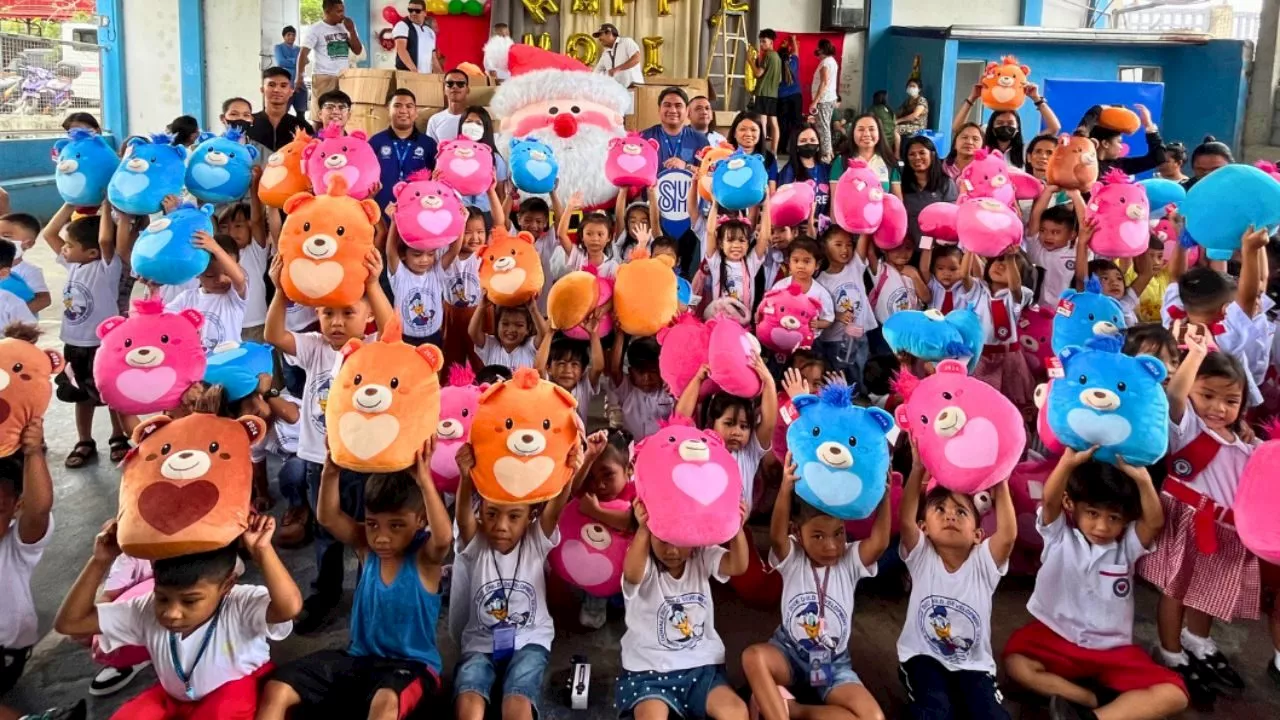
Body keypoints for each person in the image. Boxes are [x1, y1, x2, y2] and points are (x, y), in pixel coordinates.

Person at [258, 446, 451, 718]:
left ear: (421, 520)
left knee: (385, 702)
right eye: (373, 524)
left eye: (396, 525)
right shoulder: (366, 547)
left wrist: (424, 481)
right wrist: (331, 471)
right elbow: (328, 517)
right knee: (278, 685)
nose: (381, 537)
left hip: (411, 667)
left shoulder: (425, 559)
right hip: (358, 659)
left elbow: (443, 538)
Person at [264, 249, 395, 634]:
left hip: (359, 463)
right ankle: (325, 594)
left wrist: (372, 284)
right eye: (327, 313)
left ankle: (370, 598)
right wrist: (279, 292)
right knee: (325, 534)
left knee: (362, 532)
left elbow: (392, 334)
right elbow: (273, 334)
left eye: (348, 313)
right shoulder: (315, 348)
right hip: (317, 462)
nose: (336, 323)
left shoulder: (372, 353)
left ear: (368, 314)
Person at [54, 515, 300, 719]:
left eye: (190, 601)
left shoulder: (239, 603)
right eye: (162, 598)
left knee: (222, 711)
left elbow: (289, 607)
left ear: (227, 585)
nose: (171, 613)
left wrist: (263, 551)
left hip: (235, 690)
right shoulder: (145, 608)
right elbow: (70, 623)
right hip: (174, 696)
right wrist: (100, 561)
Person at [1004, 449, 1189, 720]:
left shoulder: (1126, 547)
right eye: (1092, 513)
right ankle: (1090, 699)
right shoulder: (1057, 536)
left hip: (1112, 652)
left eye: (1113, 518)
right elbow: (1049, 499)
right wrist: (1068, 462)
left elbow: (1154, 521)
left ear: (1125, 519)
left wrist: (1142, 479)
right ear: (1070, 504)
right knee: (1015, 664)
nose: (1101, 527)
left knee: (1176, 694)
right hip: (1057, 639)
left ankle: (1092, 718)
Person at [1139, 326, 1261, 706]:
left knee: (1204, 594)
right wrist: (1194, 354)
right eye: (1207, 395)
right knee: (1176, 591)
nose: (1218, 408)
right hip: (1187, 520)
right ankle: (1171, 651)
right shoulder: (1186, 428)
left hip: (1223, 530)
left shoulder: (1244, 445)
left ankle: (1198, 641)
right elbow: (1176, 394)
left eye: (1231, 400)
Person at [742, 450, 891, 720]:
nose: (831, 545)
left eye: (838, 533)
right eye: (818, 536)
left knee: (874, 717)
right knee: (753, 657)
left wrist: (885, 496)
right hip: (788, 653)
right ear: (797, 532)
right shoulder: (793, 558)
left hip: (833, 663)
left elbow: (879, 543)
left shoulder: (849, 559)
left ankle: (794, 709)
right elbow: (776, 536)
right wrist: (785, 488)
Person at [452, 430, 580, 720]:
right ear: (480, 511)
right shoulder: (476, 544)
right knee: (469, 690)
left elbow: (556, 508)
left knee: (519, 695)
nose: (501, 526)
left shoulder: (535, 540)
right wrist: (465, 477)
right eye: (492, 513)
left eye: (514, 517)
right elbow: (462, 518)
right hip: (480, 643)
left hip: (530, 639)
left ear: (530, 516)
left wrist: (569, 471)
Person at [897, 442, 1016, 719]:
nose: (950, 514)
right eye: (939, 509)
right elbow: (905, 522)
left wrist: (1001, 480)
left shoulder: (983, 563)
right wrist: (916, 470)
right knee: (935, 709)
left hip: (974, 664)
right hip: (922, 656)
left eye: (961, 512)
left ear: (977, 534)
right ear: (924, 528)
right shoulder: (922, 555)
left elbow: (1007, 535)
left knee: (990, 713)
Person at [615, 494, 751, 720]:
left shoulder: (702, 555)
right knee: (651, 716)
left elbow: (738, 565)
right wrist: (644, 529)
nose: (672, 551)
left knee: (735, 712)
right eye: (663, 539)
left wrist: (735, 528)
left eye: (681, 541)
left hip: (700, 668)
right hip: (650, 670)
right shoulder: (644, 560)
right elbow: (632, 574)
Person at [41, 207, 126, 468]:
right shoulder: (72, 264)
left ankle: (118, 436)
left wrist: (107, 205)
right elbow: (49, 233)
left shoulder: (107, 267)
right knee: (81, 395)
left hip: (102, 345)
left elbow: (104, 241)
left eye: (70, 245)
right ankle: (85, 440)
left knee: (113, 395)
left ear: (91, 252)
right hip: (75, 344)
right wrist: (69, 203)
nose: (64, 248)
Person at [0, 417, 52, 697]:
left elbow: (39, 509)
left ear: (15, 508)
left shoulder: (17, 546)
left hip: (5, 653)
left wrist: (33, 452)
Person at [164, 232, 248, 354]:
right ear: (197, 273)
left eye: (227, 273)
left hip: (229, 363)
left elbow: (239, 279)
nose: (220, 280)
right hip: (198, 365)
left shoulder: (234, 297)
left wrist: (215, 248)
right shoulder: (187, 298)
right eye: (210, 275)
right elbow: (164, 318)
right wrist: (154, 291)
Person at [815, 226, 875, 389]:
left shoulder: (855, 266)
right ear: (825, 247)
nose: (845, 249)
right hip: (834, 341)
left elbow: (864, 234)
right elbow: (818, 314)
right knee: (840, 379)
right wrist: (838, 315)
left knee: (860, 374)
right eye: (838, 244)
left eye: (849, 244)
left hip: (859, 336)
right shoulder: (820, 281)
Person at [953, 82, 1061, 167]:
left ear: (1017, 128)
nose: (1005, 126)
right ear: (992, 127)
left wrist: (1036, 98)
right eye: (999, 123)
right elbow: (958, 129)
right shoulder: (982, 146)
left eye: (1010, 123)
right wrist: (972, 97)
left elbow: (1054, 128)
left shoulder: (1025, 150)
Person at [369, 89, 437, 213]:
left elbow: (436, 180)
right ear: (388, 111)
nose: (403, 110)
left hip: (418, 213)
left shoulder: (428, 144)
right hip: (381, 213)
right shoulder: (375, 142)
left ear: (416, 112)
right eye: (397, 106)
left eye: (409, 106)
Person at [298, 0, 362, 123]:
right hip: (324, 76)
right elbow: (303, 53)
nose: (342, 14)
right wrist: (299, 76)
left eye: (343, 11)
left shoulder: (346, 27)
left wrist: (352, 31)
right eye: (338, 11)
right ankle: (319, 140)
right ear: (327, 11)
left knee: (343, 114)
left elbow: (357, 50)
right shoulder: (316, 29)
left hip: (344, 76)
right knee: (320, 115)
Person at [899, 134, 957, 243]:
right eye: (912, 154)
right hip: (907, 247)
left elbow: (951, 218)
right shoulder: (900, 183)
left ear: (932, 155)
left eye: (922, 153)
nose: (917, 157)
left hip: (938, 248)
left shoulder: (946, 183)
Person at [1079, 103, 1165, 176]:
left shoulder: (1120, 165)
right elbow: (1082, 131)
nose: (1121, 147)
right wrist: (1099, 109)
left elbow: (1158, 158)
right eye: (1119, 142)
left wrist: (1149, 126)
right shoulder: (1081, 162)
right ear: (1105, 143)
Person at [832, 113, 900, 197]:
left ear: (879, 133)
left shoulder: (889, 161)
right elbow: (835, 204)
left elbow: (897, 204)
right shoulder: (841, 161)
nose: (866, 134)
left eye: (871, 129)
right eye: (861, 129)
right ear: (853, 133)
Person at [640, 87, 710, 170]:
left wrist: (686, 166)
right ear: (659, 109)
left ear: (687, 110)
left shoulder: (700, 140)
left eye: (678, 106)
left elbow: (708, 174)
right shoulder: (644, 138)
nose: (673, 110)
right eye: (667, 105)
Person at [248, 67, 313, 152]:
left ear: (291, 91)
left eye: (283, 86)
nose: (277, 90)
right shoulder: (248, 123)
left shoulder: (302, 127)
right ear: (262, 90)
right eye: (271, 85)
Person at [0, 212, 51, 314]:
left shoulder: (29, 271)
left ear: (28, 243)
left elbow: (44, 299)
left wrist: (16, 315)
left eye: (6, 236)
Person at [779, 125, 832, 219]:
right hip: (797, 228)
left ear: (819, 144)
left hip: (823, 227)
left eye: (812, 140)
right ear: (796, 146)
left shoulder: (827, 169)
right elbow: (783, 203)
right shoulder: (788, 171)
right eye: (803, 141)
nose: (808, 144)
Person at [727, 111, 780, 192]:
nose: (748, 134)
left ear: (760, 133)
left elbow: (772, 191)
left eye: (753, 130)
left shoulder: (769, 158)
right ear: (734, 133)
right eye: (742, 129)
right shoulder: (726, 155)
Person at [752, 29, 783, 155]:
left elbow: (758, 73)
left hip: (763, 92)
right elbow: (780, 79)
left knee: (762, 122)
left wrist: (750, 62)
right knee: (774, 123)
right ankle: (774, 152)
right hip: (773, 94)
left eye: (764, 41)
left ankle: (762, 150)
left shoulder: (768, 55)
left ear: (771, 42)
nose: (762, 44)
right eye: (760, 42)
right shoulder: (777, 57)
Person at [810, 39, 839, 162]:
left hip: (824, 100)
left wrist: (815, 101)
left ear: (821, 49)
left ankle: (826, 156)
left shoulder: (825, 63)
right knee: (824, 126)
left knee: (823, 127)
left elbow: (824, 82)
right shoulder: (832, 61)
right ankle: (828, 153)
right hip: (828, 98)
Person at [392, 0, 441, 74]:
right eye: (410, 10)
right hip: (408, 75)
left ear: (424, 13)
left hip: (426, 76)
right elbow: (401, 49)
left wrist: (441, 76)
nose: (413, 13)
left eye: (417, 11)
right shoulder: (402, 25)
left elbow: (433, 58)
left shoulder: (430, 32)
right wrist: (414, 71)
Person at [593, 23, 643, 93]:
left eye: (601, 35)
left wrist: (617, 69)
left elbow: (636, 59)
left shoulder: (627, 42)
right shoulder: (605, 53)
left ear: (609, 33)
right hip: (618, 92)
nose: (599, 39)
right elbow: (595, 74)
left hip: (633, 89)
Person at [425, 69, 471, 144]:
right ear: (444, 89)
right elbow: (431, 151)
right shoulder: (434, 120)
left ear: (468, 90)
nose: (455, 87)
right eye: (450, 83)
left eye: (460, 84)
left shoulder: (477, 118)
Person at [776, 37, 803, 156]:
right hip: (795, 96)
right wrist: (793, 40)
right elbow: (796, 52)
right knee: (796, 123)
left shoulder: (777, 66)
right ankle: (796, 147)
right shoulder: (793, 62)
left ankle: (781, 148)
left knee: (782, 124)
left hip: (782, 97)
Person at [272, 27, 305, 118]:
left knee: (301, 110)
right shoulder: (278, 47)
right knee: (283, 110)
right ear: (284, 36)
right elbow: (280, 62)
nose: (291, 37)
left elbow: (305, 61)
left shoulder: (299, 49)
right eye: (288, 35)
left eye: (293, 35)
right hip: (286, 83)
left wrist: (289, 60)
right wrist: (297, 61)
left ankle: (300, 130)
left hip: (299, 82)